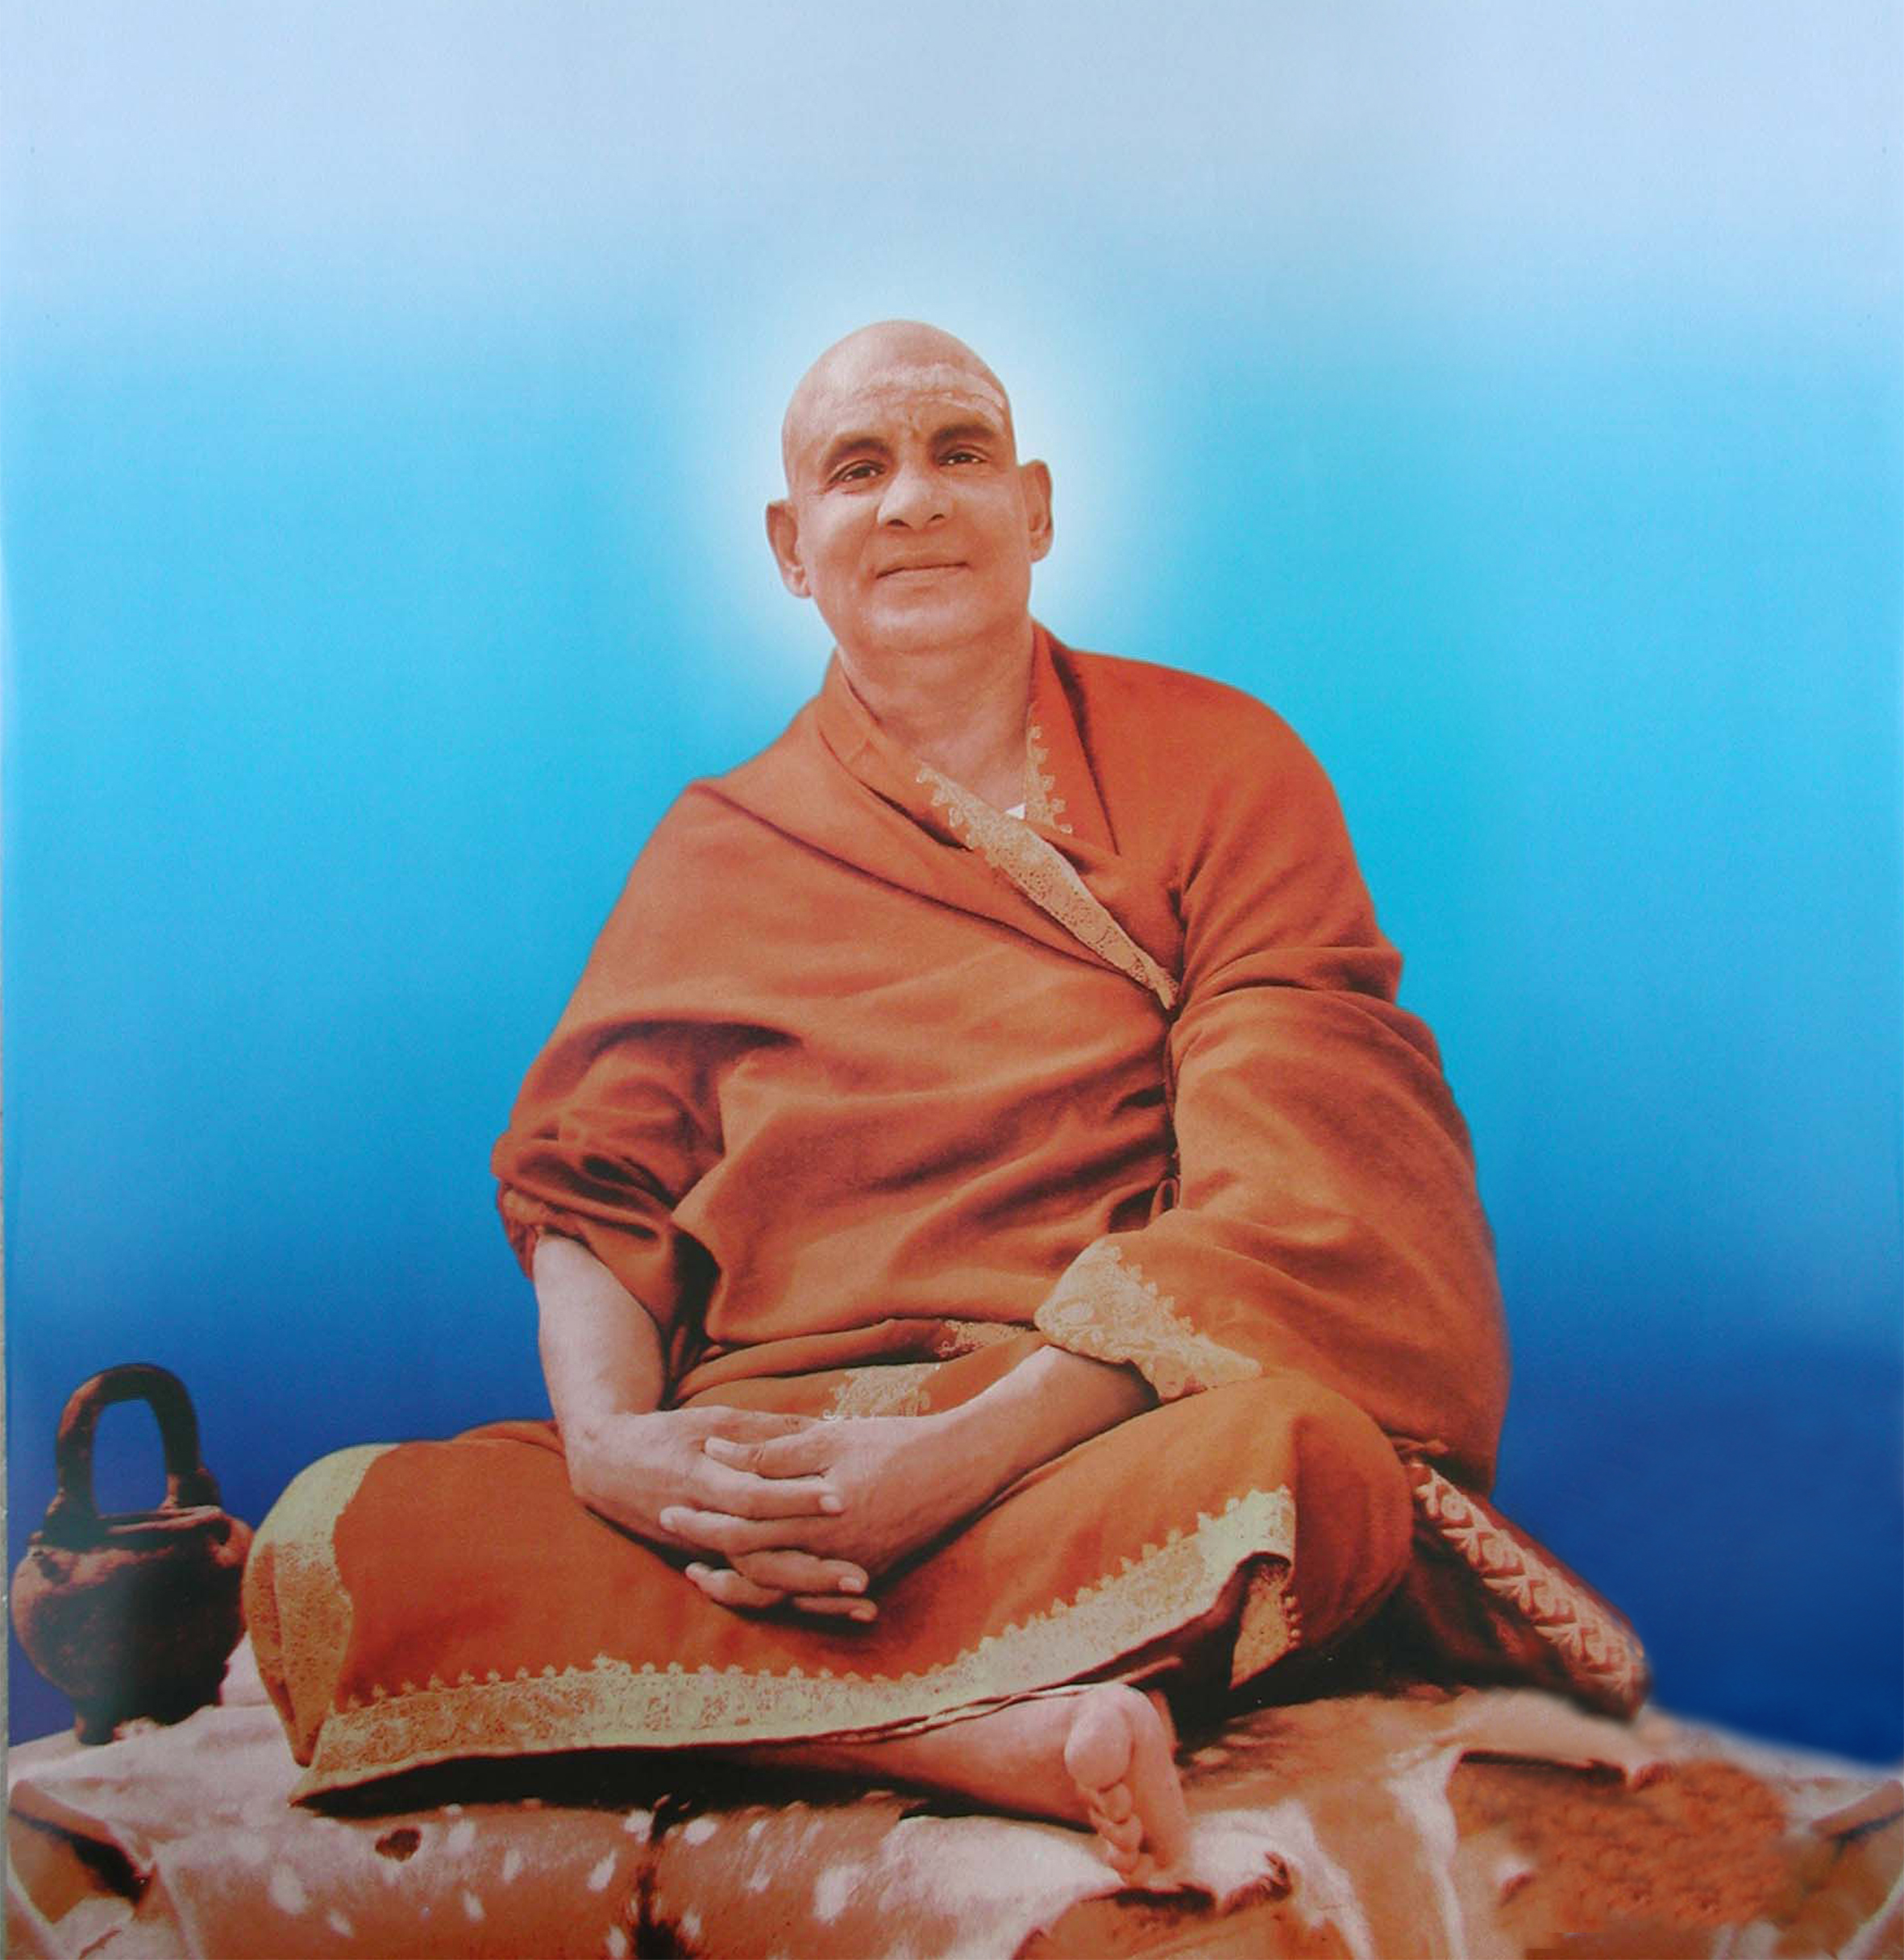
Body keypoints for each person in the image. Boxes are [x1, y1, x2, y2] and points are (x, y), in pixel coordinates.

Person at [247, 321, 1586, 1882]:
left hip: (1072, 1434)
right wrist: (613, 1448)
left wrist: (956, 1457)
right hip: (765, 1454)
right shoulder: (722, 845)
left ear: (1035, 506)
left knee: (1305, 1466)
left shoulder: (1223, 765)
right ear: (789, 546)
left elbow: (1308, 1174)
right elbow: (590, 1191)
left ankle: (822, 1707)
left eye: (958, 453)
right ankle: (972, 1736)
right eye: (856, 469)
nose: (911, 501)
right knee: (338, 1533)